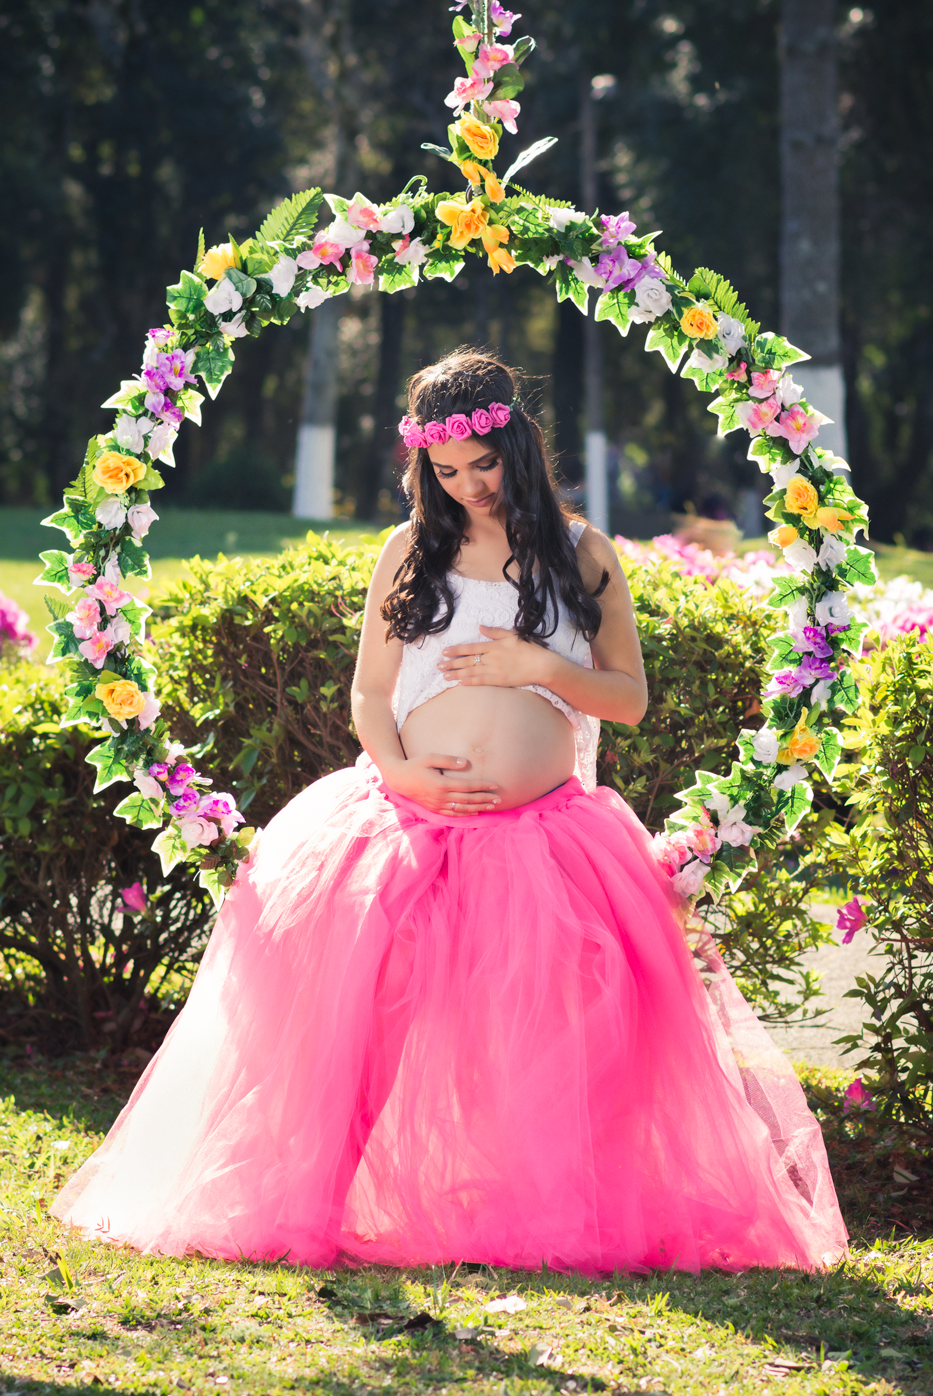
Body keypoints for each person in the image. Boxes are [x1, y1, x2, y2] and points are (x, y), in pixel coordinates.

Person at [53, 349, 847, 1273]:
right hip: (411, 820)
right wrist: (404, 775)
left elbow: (626, 697)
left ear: (520, 442)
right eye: (446, 470)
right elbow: (367, 694)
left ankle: (557, 1209)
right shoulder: (409, 552)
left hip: (546, 837)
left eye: (484, 462)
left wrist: (539, 666)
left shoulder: (582, 555)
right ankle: (309, 1198)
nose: (468, 485)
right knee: (366, 1014)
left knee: (552, 1030)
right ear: (422, 469)